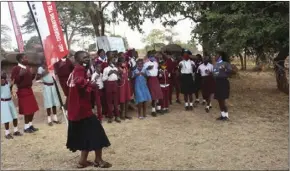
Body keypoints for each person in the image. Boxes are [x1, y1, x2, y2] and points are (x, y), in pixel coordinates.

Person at [66, 51, 112, 169]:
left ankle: (82, 161)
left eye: (88, 57)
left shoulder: (74, 70)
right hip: (82, 110)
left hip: (76, 110)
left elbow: (72, 83)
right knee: (98, 134)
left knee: (86, 135)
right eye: (84, 57)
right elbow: (79, 81)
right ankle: (98, 160)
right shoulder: (79, 69)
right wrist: (91, 85)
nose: (87, 59)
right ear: (77, 59)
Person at [11, 53, 39, 133]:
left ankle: (30, 125)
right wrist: (19, 75)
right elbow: (13, 80)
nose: (27, 59)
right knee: (27, 110)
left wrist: (33, 74)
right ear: (20, 59)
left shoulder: (27, 67)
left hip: (29, 90)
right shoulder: (16, 68)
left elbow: (30, 79)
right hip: (22, 90)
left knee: (33, 109)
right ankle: (26, 127)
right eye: (25, 57)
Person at [36, 60, 61, 126]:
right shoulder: (41, 68)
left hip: (53, 86)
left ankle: (55, 118)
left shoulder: (52, 66)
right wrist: (46, 71)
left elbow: (55, 74)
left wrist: (54, 70)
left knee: (54, 102)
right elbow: (37, 78)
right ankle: (49, 119)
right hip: (46, 86)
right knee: (48, 103)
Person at [1, 72, 22, 139]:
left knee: (15, 116)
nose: (3, 79)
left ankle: (15, 131)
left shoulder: (8, 83)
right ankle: (7, 133)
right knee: (6, 118)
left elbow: (9, 89)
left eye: (4, 78)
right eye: (2, 78)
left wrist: (12, 86)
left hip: (10, 101)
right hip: (4, 102)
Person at [213, 51, 232, 121]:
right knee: (219, 100)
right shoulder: (215, 65)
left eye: (216, 55)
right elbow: (215, 74)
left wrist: (225, 69)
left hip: (223, 82)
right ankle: (222, 115)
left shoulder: (226, 64)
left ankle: (226, 116)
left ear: (220, 56)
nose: (215, 57)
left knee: (223, 99)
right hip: (217, 82)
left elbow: (231, 72)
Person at [102, 57, 121, 123]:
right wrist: (109, 74)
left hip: (115, 84)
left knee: (116, 102)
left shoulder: (116, 68)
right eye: (113, 60)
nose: (114, 61)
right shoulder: (106, 69)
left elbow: (118, 78)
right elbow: (103, 79)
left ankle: (117, 116)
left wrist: (118, 75)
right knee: (109, 102)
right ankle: (110, 117)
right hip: (108, 84)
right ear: (109, 61)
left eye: (114, 60)